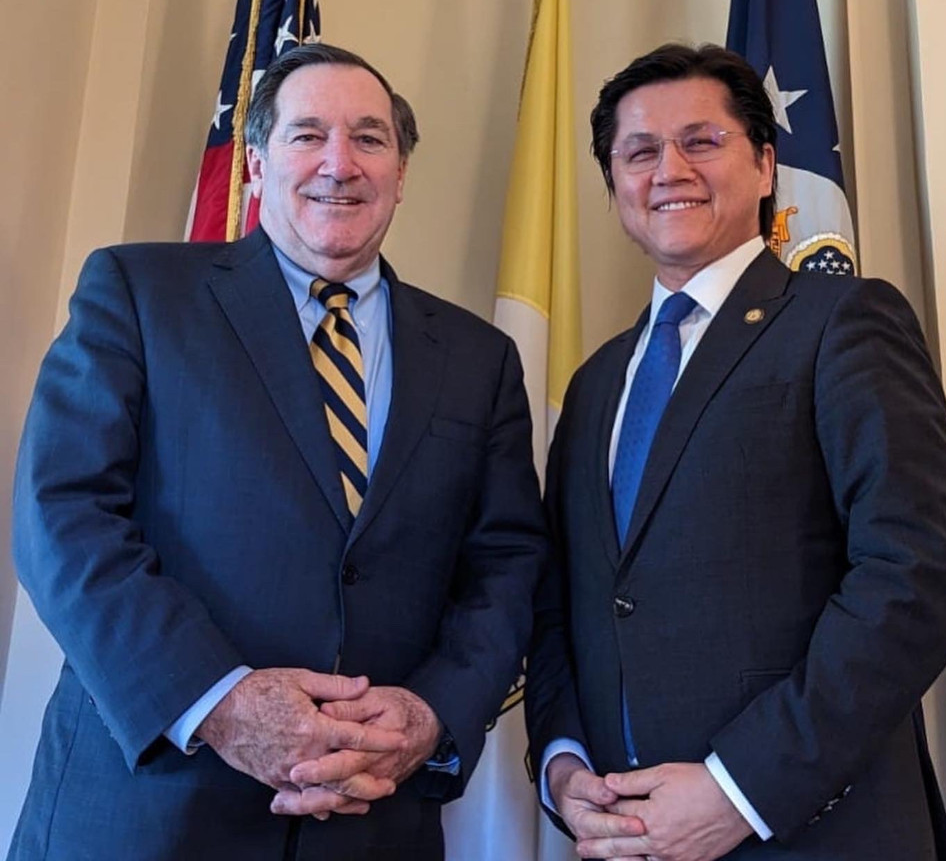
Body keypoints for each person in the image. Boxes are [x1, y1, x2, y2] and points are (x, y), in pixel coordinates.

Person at [10, 43, 546, 861]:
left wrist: (434, 711)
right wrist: (219, 702)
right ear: (257, 164)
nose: (340, 162)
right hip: (150, 810)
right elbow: (64, 518)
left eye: (370, 138)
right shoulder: (139, 294)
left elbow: (505, 561)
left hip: (372, 819)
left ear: (401, 172)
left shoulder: (479, 358)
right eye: (307, 135)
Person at [525, 43, 946, 861]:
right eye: (639, 152)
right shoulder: (593, 387)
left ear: (765, 165)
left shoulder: (843, 321)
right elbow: (564, 604)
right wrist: (564, 767)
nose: (670, 169)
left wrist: (741, 789)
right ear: (615, 187)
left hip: (815, 832)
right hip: (626, 838)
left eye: (702, 141)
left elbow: (914, 576)